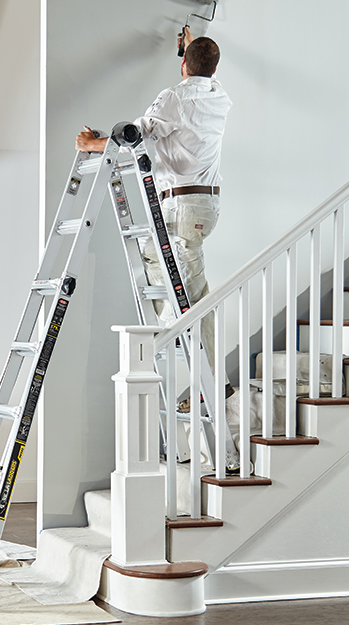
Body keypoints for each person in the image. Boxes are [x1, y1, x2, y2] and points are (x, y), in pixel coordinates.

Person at [75, 26, 230, 374]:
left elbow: (136, 136)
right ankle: (206, 372)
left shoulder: (174, 98)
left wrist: (89, 145)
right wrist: (193, 48)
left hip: (181, 207)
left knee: (186, 300)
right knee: (190, 288)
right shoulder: (219, 96)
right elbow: (203, 71)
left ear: (183, 66)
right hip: (203, 206)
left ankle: (208, 383)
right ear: (214, 71)